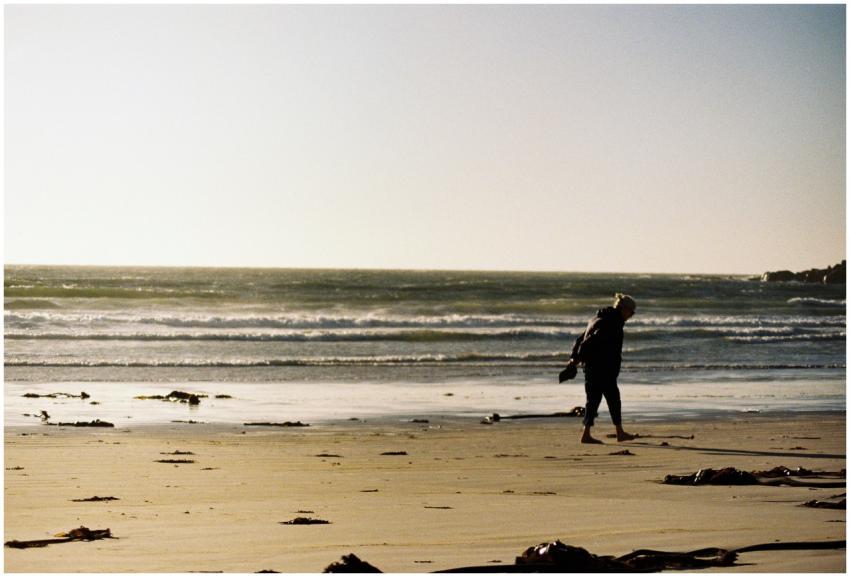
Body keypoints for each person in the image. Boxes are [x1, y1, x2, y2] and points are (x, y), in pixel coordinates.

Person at [565, 293, 637, 444]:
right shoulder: (613, 322)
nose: (631, 315)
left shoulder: (597, 318)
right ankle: (619, 433)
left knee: (593, 400)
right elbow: (590, 341)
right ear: (624, 309)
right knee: (613, 399)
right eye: (631, 312)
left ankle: (587, 434)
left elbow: (580, 339)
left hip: (591, 367)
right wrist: (577, 359)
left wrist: (574, 359)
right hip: (603, 368)